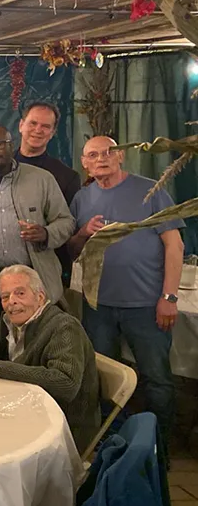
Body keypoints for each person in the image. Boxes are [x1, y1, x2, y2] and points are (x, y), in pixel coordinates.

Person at [69, 135, 185, 449]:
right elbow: (73, 250)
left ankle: (156, 449)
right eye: (93, 154)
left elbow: (175, 245)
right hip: (98, 305)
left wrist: (169, 297)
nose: (102, 158)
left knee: (156, 379)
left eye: (109, 152)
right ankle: (110, 442)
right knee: (103, 378)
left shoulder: (150, 190)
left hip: (147, 305)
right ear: (85, 162)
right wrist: (82, 232)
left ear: (121, 157)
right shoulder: (82, 198)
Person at [0, 265, 100, 454]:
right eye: (5, 297)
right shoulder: (8, 321)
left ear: (40, 297)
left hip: (61, 428)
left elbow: (65, 383)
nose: (12, 302)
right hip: (23, 410)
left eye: (20, 293)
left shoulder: (64, 327)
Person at [0, 125, 75, 353]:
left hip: (31, 282)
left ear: (12, 146)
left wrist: (46, 233)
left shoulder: (41, 179)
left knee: (33, 351)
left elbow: (66, 221)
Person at [15, 102, 81, 205]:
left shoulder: (67, 178)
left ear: (52, 133)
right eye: (33, 123)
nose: (38, 130)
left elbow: (68, 219)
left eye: (45, 126)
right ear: (21, 126)